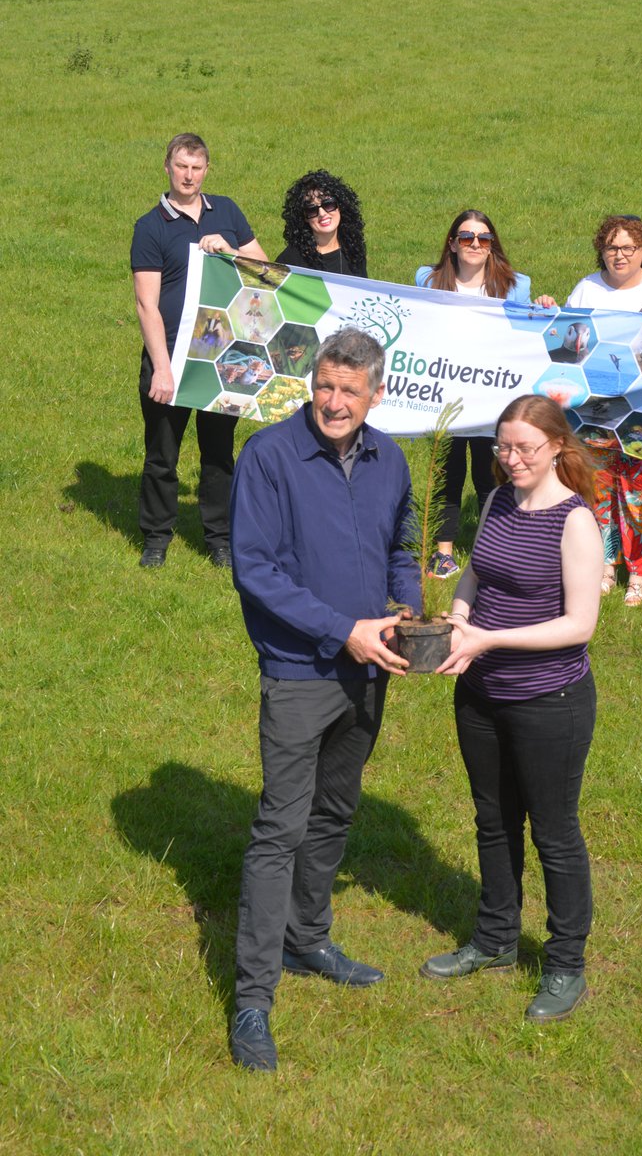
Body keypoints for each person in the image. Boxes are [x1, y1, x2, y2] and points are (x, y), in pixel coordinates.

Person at [228, 327, 421, 1072]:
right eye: (324, 387)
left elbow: (401, 547)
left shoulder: (389, 458)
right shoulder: (269, 457)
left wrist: (405, 610)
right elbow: (257, 570)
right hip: (300, 671)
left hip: (372, 670)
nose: (334, 403)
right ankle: (253, 997)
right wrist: (344, 630)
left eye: (349, 391)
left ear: (377, 393)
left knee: (335, 810)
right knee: (280, 826)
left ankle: (307, 938)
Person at [421, 395, 603, 1023]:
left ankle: (564, 966)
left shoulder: (575, 520)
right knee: (492, 820)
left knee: (554, 832)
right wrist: (459, 621)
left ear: (557, 446)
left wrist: (489, 640)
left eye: (525, 446)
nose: (511, 457)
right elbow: (474, 574)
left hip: (548, 700)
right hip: (479, 694)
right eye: (503, 446)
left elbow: (579, 625)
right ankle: (495, 939)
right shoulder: (498, 501)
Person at [131, 133, 268, 568]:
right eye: (181, 166)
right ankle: (156, 537)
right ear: (167, 168)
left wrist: (229, 251)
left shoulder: (226, 211)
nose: (189, 175)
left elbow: (265, 273)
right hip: (171, 357)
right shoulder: (150, 226)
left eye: (197, 167)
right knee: (162, 454)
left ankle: (220, 540)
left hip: (222, 358)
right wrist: (161, 368)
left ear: (206, 170)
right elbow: (146, 304)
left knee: (218, 454)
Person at [537, 215, 642, 605]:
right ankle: (604, 566)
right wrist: (551, 312)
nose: (618, 255)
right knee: (596, 490)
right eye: (611, 247)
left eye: (627, 248)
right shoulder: (587, 289)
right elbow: (566, 342)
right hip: (592, 414)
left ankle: (639, 573)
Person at [415, 210, 532, 579]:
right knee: (448, 474)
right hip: (444, 391)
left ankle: (491, 549)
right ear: (452, 243)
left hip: (491, 396)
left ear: (492, 245)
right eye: (467, 238)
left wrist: (543, 309)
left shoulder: (516, 286)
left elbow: (527, 333)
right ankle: (443, 552)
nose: (475, 245)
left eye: (483, 238)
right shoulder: (428, 280)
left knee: (491, 474)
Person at [276, 169, 367, 277]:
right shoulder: (291, 260)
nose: (322, 213)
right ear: (304, 217)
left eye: (328, 204)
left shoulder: (353, 248)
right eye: (312, 210)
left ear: (340, 206)